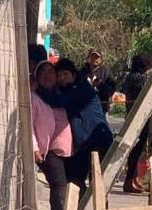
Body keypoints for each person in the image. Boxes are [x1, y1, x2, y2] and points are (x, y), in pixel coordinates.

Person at [42, 58, 113, 196]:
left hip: (97, 140)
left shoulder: (81, 88)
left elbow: (59, 101)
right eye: (59, 75)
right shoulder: (66, 90)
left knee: (98, 183)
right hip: (83, 144)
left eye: (65, 74)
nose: (62, 78)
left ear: (74, 75)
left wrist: (39, 90)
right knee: (75, 180)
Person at [32, 60, 73, 210]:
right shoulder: (34, 98)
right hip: (48, 150)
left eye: (50, 72)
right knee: (58, 186)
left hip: (68, 149)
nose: (46, 76)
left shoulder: (63, 95)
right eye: (42, 73)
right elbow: (29, 125)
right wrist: (34, 147)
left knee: (71, 186)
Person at [122, 54, 152, 193]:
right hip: (139, 119)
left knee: (138, 149)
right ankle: (130, 180)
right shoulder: (138, 78)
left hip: (138, 118)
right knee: (136, 149)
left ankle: (134, 179)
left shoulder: (131, 77)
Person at [79, 49, 117, 114]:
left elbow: (112, 87)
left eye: (97, 57)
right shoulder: (82, 72)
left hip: (101, 106)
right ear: (88, 58)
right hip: (85, 106)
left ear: (100, 59)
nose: (94, 59)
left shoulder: (106, 71)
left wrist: (100, 85)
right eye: (92, 57)